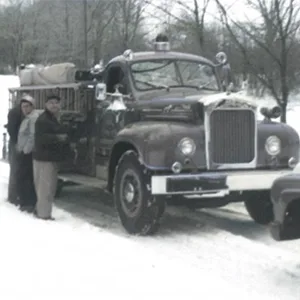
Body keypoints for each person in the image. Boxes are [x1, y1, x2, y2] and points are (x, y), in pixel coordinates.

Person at [33, 95, 70, 220]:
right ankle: (43, 216)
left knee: (49, 188)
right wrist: (58, 138)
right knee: (45, 189)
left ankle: (42, 211)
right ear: (45, 105)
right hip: (44, 159)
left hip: (50, 158)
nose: (54, 105)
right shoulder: (43, 120)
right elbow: (41, 139)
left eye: (56, 103)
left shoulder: (54, 118)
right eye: (51, 103)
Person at [16, 94, 39, 212]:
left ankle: (28, 202)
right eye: (23, 107)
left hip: (28, 153)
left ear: (32, 106)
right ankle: (24, 201)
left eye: (27, 106)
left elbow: (32, 136)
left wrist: (26, 150)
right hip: (23, 151)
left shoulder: (33, 118)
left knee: (27, 178)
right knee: (23, 177)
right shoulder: (27, 118)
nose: (24, 109)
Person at [6, 98, 23, 205]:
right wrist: (16, 141)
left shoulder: (18, 111)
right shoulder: (15, 112)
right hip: (15, 143)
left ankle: (15, 195)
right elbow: (11, 129)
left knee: (16, 170)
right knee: (15, 170)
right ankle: (13, 196)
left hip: (17, 143)